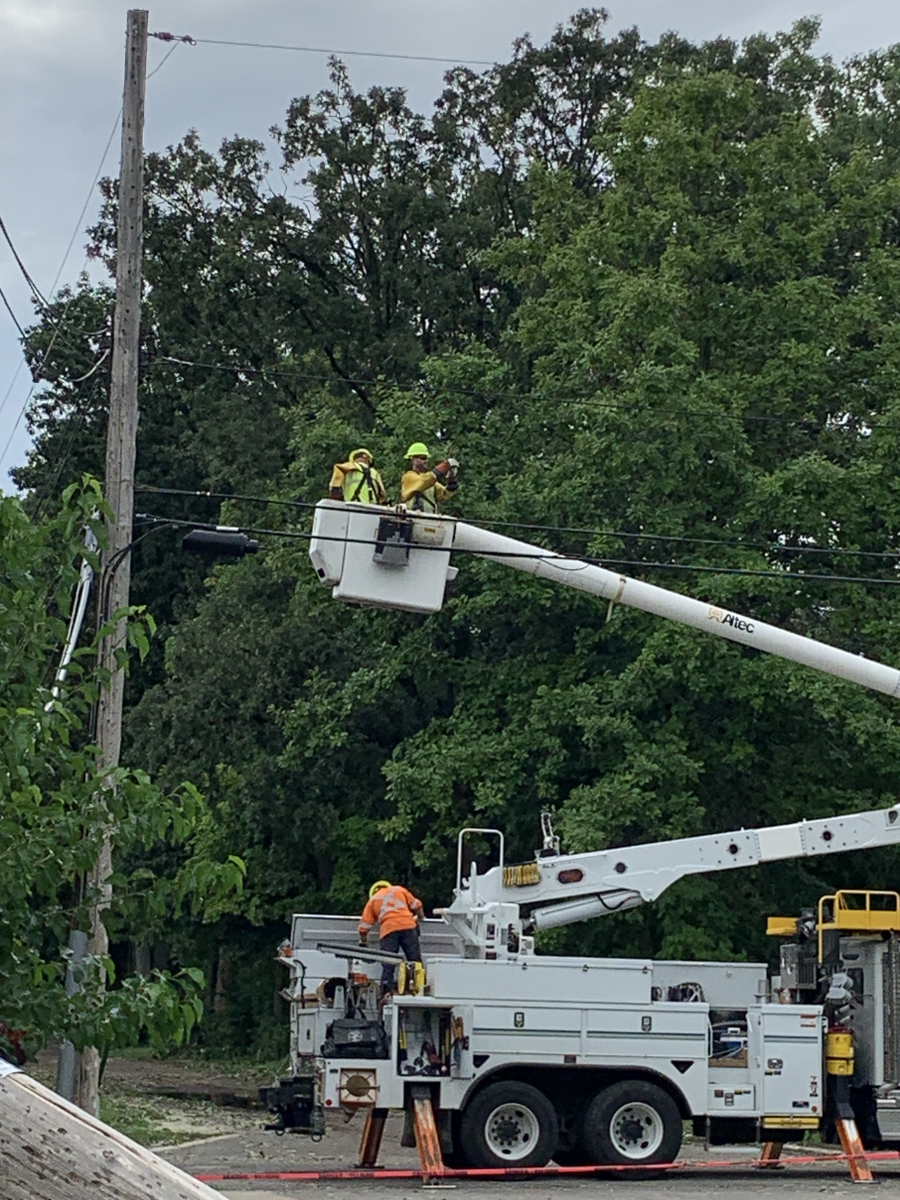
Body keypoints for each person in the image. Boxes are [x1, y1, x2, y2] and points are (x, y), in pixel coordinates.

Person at [359, 879, 423, 991]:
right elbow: (417, 905)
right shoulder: (399, 890)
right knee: (415, 961)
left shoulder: (373, 900)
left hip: (388, 931)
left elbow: (364, 927)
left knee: (388, 963)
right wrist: (421, 917)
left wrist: (364, 941)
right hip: (408, 926)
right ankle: (419, 989)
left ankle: (386, 992)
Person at [400, 443, 459, 513]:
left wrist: (452, 479)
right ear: (413, 459)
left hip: (429, 519)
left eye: (427, 458)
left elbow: (444, 494)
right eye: (423, 458)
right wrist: (444, 466)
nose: (426, 461)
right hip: (413, 519)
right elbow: (422, 481)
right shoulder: (408, 477)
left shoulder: (430, 483)